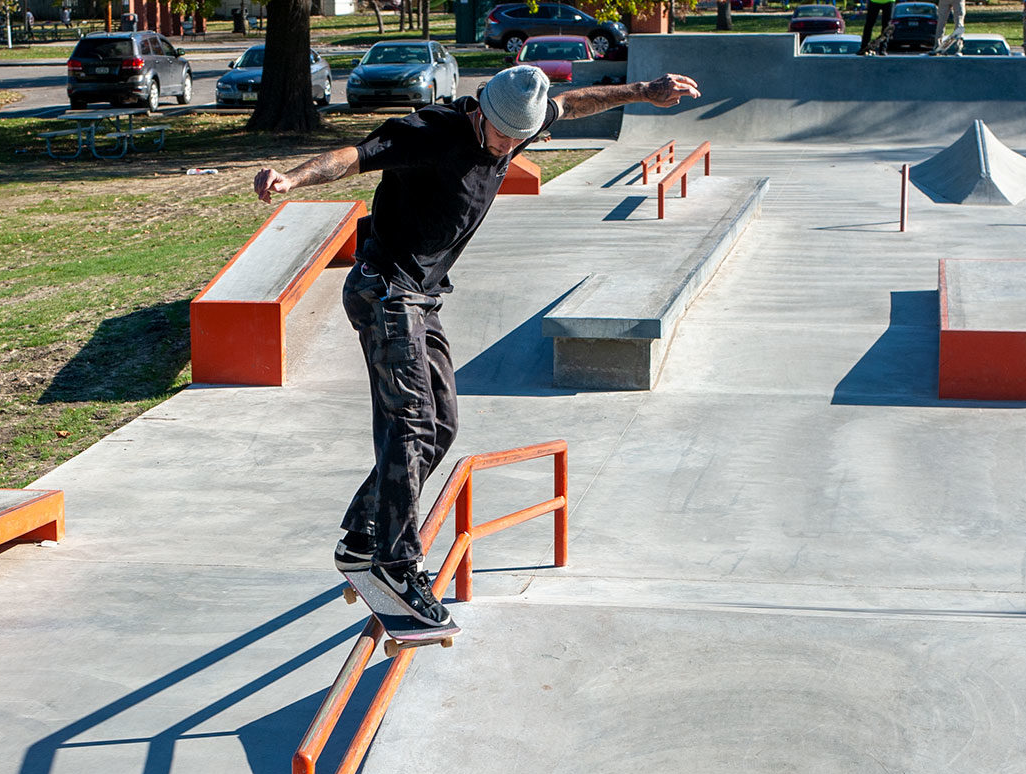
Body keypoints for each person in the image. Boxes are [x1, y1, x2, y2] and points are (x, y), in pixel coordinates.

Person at [252, 65, 701, 639]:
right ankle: (393, 563)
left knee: (440, 427)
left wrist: (643, 91)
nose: (509, 148)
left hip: (422, 297)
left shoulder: (520, 118)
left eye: (520, 140)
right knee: (411, 422)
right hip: (384, 290)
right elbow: (351, 155)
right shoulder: (432, 131)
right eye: (501, 138)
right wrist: (290, 178)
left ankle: (365, 531)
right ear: (480, 112)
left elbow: (576, 100)